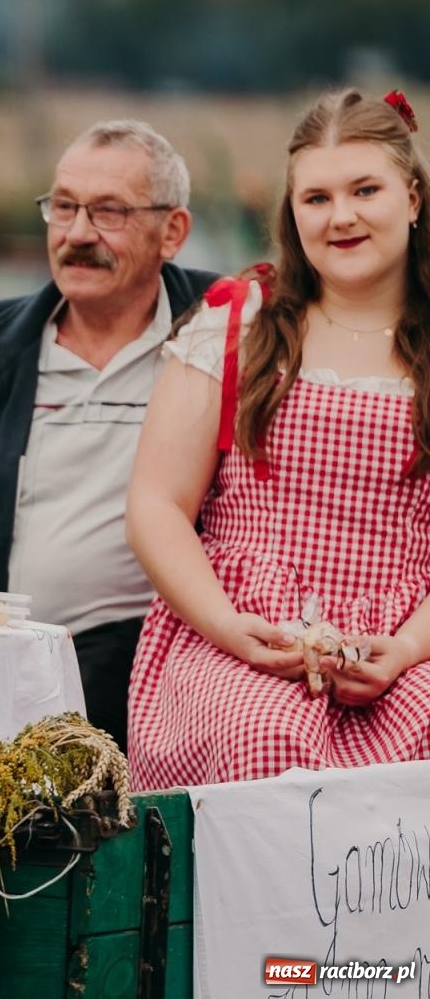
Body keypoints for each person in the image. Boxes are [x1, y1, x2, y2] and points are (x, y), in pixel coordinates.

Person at [126, 89, 430, 788]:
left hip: (406, 641)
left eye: (365, 190)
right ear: (292, 213)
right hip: (241, 634)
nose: (342, 216)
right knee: (267, 736)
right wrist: (228, 625)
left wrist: (408, 647)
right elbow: (155, 506)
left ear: (412, 199)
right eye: (316, 198)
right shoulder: (240, 325)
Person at [0, 120, 216, 751]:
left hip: (164, 672)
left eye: (109, 212)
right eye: (63, 207)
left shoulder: (225, 336)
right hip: (1, 669)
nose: (77, 234)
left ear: (172, 231)